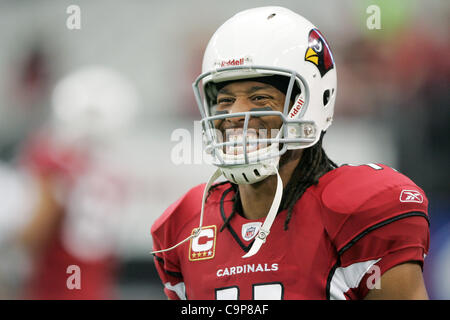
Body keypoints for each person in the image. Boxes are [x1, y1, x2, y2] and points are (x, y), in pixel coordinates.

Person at [151, 6, 429, 300]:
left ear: (311, 101)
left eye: (259, 98)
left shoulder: (359, 210)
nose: (235, 114)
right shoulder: (184, 225)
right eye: (225, 99)